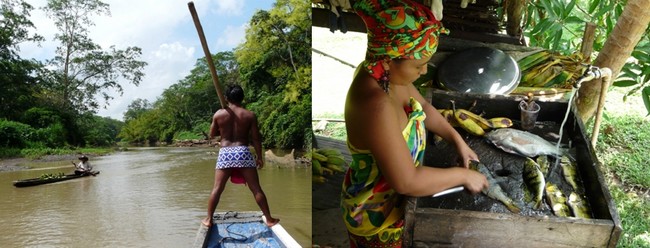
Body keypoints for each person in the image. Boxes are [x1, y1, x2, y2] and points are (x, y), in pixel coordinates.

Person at [341, 0, 489, 246]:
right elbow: (406, 181)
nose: (424, 71)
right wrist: (463, 176)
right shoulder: (375, 104)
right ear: (389, 59)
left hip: (396, 204)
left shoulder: (387, 77)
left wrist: (457, 140)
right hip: (377, 217)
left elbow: (425, 109)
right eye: (419, 65)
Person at [202, 84, 280, 228]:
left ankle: (208, 219)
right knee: (256, 188)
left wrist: (224, 130)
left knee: (217, 188)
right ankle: (269, 219)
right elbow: (256, 139)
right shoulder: (249, 115)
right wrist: (259, 157)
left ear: (226, 98)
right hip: (243, 151)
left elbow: (212, 134)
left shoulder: (219, 114)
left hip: (225, 152)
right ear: (242, 98)